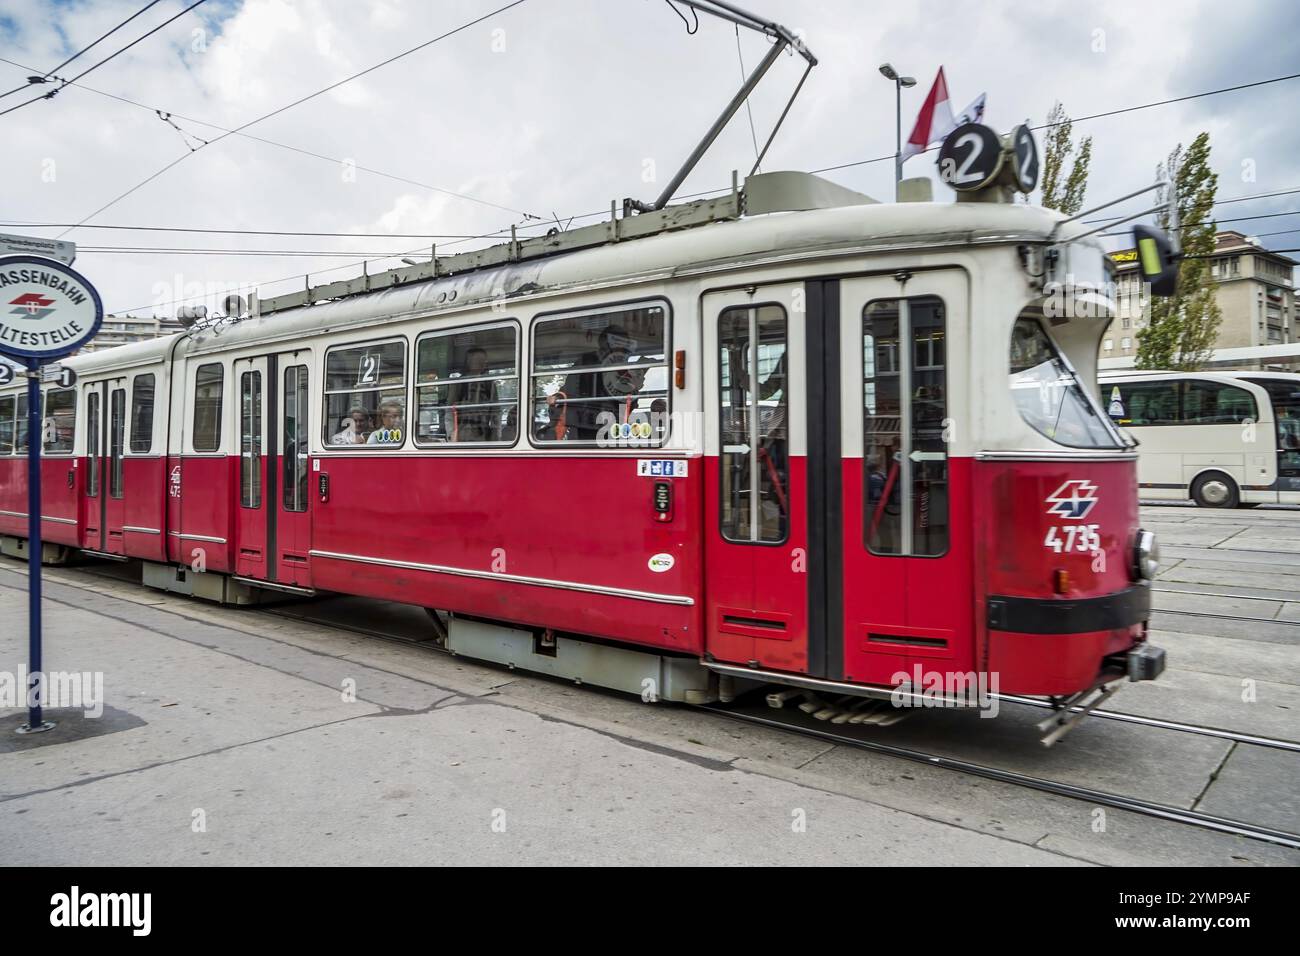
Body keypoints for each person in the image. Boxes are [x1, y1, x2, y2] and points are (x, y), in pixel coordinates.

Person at [545, 325, 646, 441]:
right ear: (603, 342)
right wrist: (558, 397)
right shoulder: (587, 360)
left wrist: (637, 381)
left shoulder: (624, 364)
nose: (620, 347)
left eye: (623, 342)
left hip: (614, 421)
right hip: (585, 420)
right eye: (616, 341)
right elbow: (571, 385)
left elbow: (628, 394)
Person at [448, 347, 499, 442]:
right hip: (463, 433)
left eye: (483, 360)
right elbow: (449, 410)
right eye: (477, 360)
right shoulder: (459, 383)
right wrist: (452, 432)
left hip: (483, 434)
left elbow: (496, 412)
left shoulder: (489, 384)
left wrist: (495, 434)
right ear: (469, 362)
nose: (481, 363)